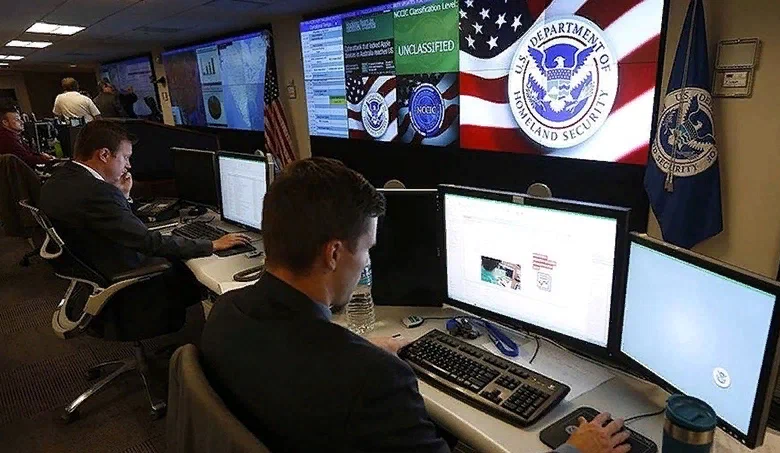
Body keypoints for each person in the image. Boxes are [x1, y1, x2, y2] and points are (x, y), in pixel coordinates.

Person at [201, 158, 631, 453]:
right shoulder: (372, 381)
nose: (366, 262)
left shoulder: (225, 315)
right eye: (366, 249)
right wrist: (577, 449)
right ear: (333, 254)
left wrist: (360, 351)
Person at [39, 120, 249, 338]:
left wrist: (123, 196)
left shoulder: (59, 179)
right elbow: (148, 242)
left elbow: (115, 223)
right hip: (126, 282)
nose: (128, 166)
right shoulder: (96, 193)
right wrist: (212, 244)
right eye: (125, 157)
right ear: (104, 155)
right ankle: (219, 337)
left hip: (98, 267)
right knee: (203, 275)